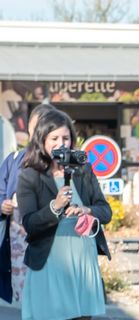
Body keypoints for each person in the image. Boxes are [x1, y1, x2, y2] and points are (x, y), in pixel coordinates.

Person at [16, 109, 112, 320]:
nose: (61, 143)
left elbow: (105, 211)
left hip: (82, 260)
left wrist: (86, 210)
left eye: (66, 138)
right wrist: (55, 206)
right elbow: (30, 223)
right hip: (49, 261)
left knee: (82, 317)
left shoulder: (83, 170)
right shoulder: (29, 176)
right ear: (42, 140)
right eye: (54, 138)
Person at [0, 103, 56, 305]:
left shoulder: (60, 162)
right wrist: (3, 205)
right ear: (30, 130)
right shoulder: (13, 160)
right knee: (27, 298)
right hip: (19, 242)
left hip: (52, 240)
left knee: (50, 297)